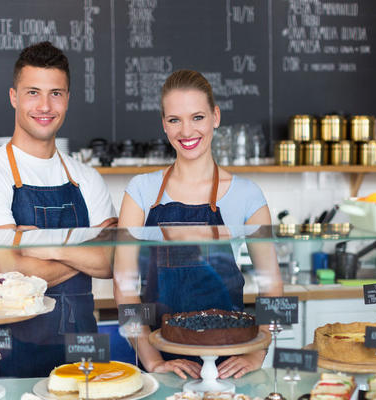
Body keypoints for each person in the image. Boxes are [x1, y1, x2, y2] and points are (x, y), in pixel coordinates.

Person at [0, 41, 117, 377]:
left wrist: (38, 244)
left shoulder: (87, 178)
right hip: (2, 354)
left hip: (82, 352)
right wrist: (85, 250)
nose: (45, 105)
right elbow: (6, 270)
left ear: (68, 99)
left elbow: (113, 260)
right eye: (33, 92)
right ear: (14, 96)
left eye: (56, 93)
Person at [114, 70, 282, 380]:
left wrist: (257, 352)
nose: (186, 130)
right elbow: (123, 287)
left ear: (215, 117)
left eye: (198, 117)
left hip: (230, 363)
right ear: (164, 124)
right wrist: (152, 360)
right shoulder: (140, 191)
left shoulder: (248, 194)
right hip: (163, 363)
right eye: (175, 120)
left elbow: (272, 285)